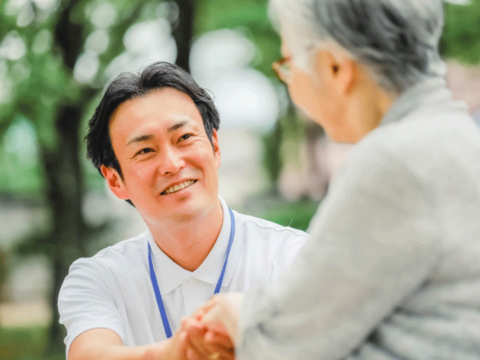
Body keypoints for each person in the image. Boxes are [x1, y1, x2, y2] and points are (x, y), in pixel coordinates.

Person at [193, 0, 480, 359]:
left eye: (288, 64)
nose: (292, 86)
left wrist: (234, 313)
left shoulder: (393, 161)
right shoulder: (455, 135)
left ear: (335, 68)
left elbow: (291, 338)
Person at [57, 61, 308, 360]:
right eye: (145, 150)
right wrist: (178, 351)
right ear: (114, 180)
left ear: (215, 146)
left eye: (185, 138)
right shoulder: (99, 279)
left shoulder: (294, 258)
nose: (173, 164)